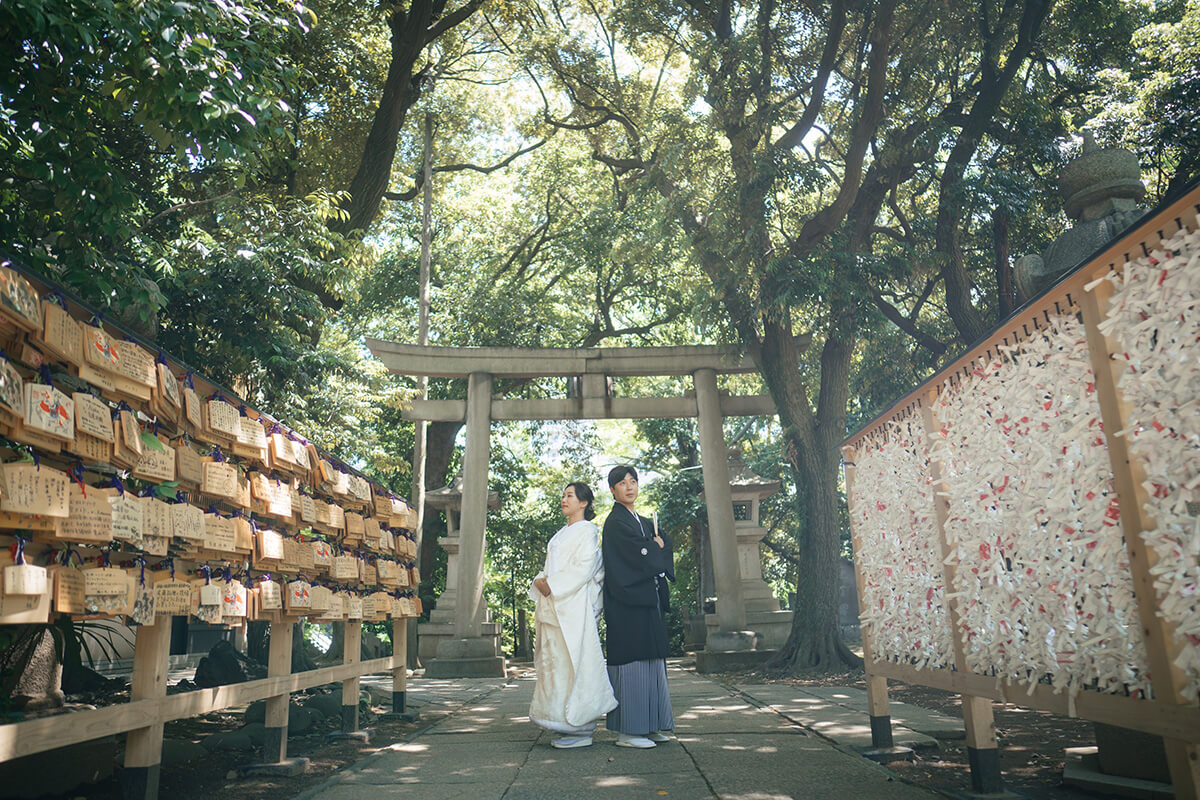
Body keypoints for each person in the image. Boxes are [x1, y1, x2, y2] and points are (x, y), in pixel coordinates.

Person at [528, 482, 618, 748]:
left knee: (576, 663)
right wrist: (541, 581)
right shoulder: (559, 535)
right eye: (563, 494)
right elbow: (548, 569)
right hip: (554, 606)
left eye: (570, 495)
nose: (564, 499)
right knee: (556, 666)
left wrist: (552, 585)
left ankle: (581, 725)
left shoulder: (588, 532)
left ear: (584, 503)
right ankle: (561, 721)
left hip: (574, 607)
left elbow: (585, 568)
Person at [601, 465, 675, 748]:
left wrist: (656, 545)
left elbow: (663, 544)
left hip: (647, 600)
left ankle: (653, 723)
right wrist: (654, 547)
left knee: (653, 660)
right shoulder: (616, 523)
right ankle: (629, 731)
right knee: (632, 662)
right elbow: (638, 553)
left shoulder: (643, 522)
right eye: (622, 483)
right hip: (627, 603)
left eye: (633, 481)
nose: (629, 486)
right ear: (612, 490)